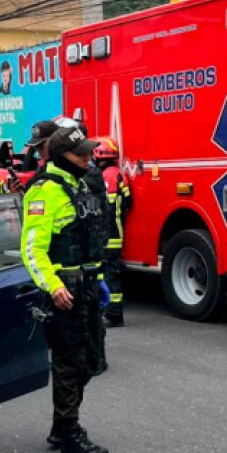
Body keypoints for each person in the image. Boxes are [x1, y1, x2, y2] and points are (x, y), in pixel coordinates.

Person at [21, 126, 111, 453]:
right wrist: (54, 286)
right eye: (81, 154)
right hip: (65, 291)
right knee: (69, 363)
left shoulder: (80, 185)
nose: (88, 158)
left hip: (86, 285)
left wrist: (97, 277)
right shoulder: (45, 192)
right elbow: (32, 250)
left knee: (90, 360)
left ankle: (63, 425)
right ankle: (69, 431)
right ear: (62, 157)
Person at [93, 136, 132, 327]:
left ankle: (114, 314)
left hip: (108, 235)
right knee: (112, 273)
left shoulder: (106, 176)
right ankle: (112, 312)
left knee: (108, 275)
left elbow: (104, 209)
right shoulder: (118, 173)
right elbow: (127, 202)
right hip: (117, 231)